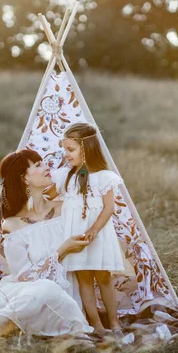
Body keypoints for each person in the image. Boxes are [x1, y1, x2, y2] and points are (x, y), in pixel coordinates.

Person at [0, 149, 94, 337]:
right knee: (46, 288)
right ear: (24, 178)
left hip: (66, 297)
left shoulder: (65, 208)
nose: (47, 167)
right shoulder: (12, 225)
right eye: (38, 165)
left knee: (60, 302)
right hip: (27, 294)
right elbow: (25, 277)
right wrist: (62, 251)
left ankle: (75, 336)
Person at [51, 122, 126, 332]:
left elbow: (109, 208)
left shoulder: (104, 176)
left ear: (86, 149)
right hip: (77, 236)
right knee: (84, 278)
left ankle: (114, 322)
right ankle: (97, 325)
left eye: (70, 149)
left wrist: (93, 230)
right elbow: (46, 195)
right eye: (64, 149)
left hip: (98, 234)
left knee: (104, 278)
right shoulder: (65, 177)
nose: (66, 154)